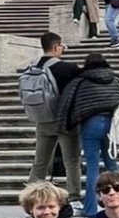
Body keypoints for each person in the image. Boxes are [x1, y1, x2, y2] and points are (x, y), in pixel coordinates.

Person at [56, 52, 119, 216]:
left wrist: (63, 126)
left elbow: (66, 103)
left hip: (90, 124)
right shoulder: (115, 80)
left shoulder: (79, 82)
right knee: (112, 164)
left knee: (93, 167)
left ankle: (90, 208)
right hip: (111, 124)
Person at [23, 31, 83, 208]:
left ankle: (30, 197)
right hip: (65, 121)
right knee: (71, 160)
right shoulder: (68, 68)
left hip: (42, 120)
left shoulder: (32, 68)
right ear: (56, 47)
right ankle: (73, 197)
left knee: (40, 161)